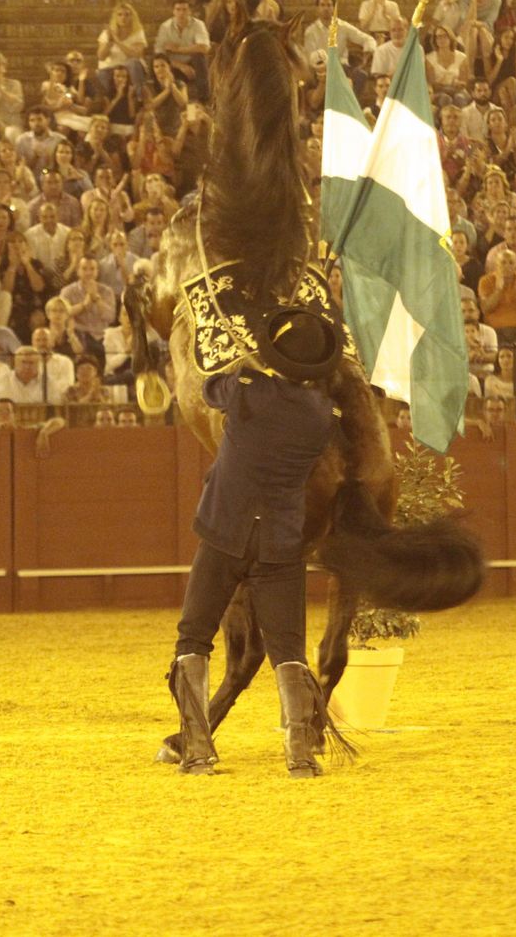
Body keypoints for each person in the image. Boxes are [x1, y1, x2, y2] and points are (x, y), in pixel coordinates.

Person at [167, 307, 343, 778]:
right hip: (280, 541)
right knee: (289, 649)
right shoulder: (321, 415)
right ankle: (300, 755)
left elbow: (208, 389)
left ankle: (198, 751)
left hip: (225, 530)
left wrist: (247, 361)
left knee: (194, 636)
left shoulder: (246, 390)